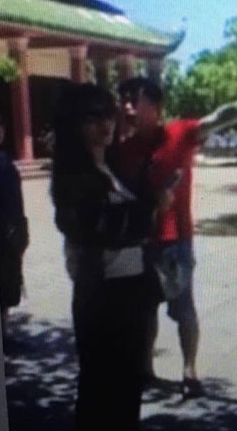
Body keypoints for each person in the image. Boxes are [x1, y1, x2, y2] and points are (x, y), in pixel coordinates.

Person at [113, 75, 237, 398]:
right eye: (125, 101)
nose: (129, 108)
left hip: (175, 241)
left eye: (136, 100)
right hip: (139, 242)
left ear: (158, 108)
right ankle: (145, 369)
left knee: (183, 308)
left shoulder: (180, 133)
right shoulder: (123, 150)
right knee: (143, 308)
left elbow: (219, 118)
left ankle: (189, 369)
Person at [50, 84, 166, 430]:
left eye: (108, 114)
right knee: (101, 395)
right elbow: (98, 229)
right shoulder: (73, 176)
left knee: (127, 392)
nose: (105, 124)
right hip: (102, 298)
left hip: (131, 293)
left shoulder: (113, 168)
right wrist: (149, 208)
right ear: (73, 124)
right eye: (92, 116)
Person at [0, 106, 29, 334]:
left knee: (9, 285)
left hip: (11, 235)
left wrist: (22, 231)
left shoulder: (5, 162)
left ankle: (4, 333)